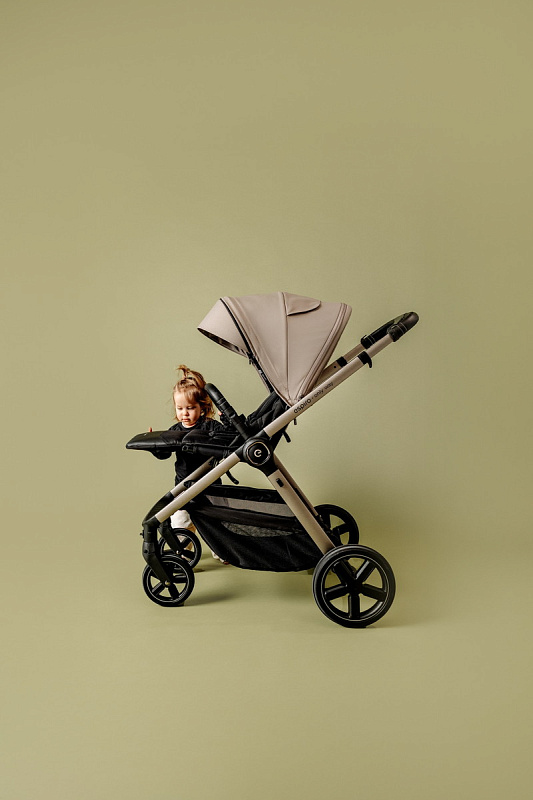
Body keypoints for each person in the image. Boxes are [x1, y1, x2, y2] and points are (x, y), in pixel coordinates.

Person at [165, 365, 228, 563]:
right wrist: (155, 444)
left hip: (211, 486)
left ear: (202, 407)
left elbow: (228, 439)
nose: (185, 413)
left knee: (217, 522)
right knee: (180, 522)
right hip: (184, 487)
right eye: (180, 408)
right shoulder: (175, 431)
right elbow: (164, 452)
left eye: (190, 408)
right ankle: (183, 554)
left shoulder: (210, 426)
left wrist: (226, 421)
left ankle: (222, 551)